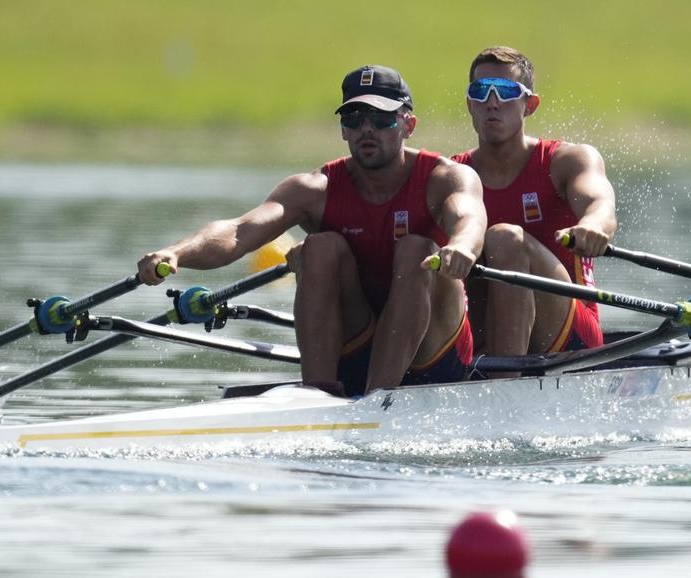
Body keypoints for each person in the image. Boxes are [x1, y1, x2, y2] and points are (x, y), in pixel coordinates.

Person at [137, 65, 487, 397]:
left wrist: (462, 247)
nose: (367, 128)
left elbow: (469, 217)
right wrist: (177, 252)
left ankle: (378, 399)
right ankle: (318, 393)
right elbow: (239, 231)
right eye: (354, 118)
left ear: (408, 125)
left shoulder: (444, 177)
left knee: (416, 250)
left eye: (381, 119)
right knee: (319, 247)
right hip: (358, 343)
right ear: (343, 129)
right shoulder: (314, 189)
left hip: (436, 352)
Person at [451, 46, 618, 367]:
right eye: (481, 91)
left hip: (570, 336)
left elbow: (601, 203)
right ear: (470, 104)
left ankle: (502, 386)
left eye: (507, 91)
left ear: (530, 105)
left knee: (504, 239)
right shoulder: (453, 174)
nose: (493, 102)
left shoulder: (567, 161)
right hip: (485, 325)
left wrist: (594, 226)